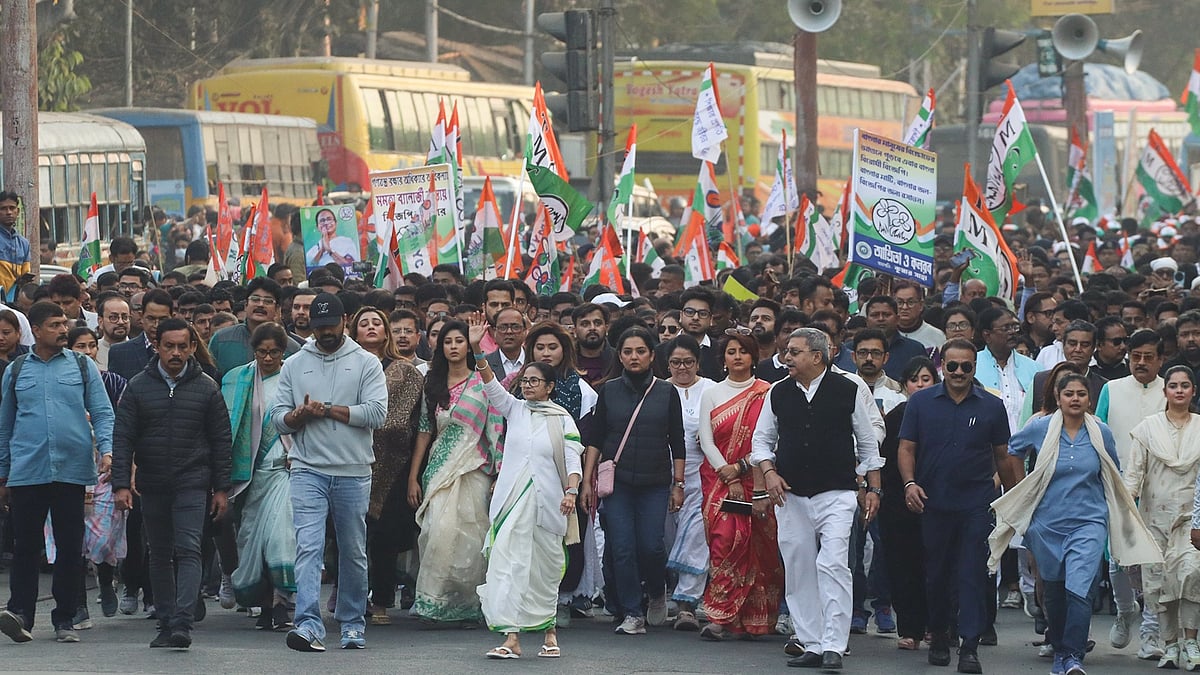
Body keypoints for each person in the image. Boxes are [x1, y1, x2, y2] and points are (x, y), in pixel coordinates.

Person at [994, 373, 1159, 675]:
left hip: (1089, 521)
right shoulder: (1041, 427)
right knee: (1055, 590)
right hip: (1046, 522)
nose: (1074, 399)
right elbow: (1012, 450)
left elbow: (1111, 471)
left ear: (1088, 399)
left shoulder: (1101, 432)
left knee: (1080, 589)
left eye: (1081, 394)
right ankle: (1059, 648)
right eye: (1068, 393)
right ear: (1058, 398)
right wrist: (1021, 487)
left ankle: (1073, 655)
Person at [752, 327, 882, 670]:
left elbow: (868, 444)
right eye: (786, 352)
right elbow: (761, 442)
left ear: (817, 356)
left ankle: (834, 646)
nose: (787, 358)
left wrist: (873, 488)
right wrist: (769, 473)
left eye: (794, 352)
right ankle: (811, 642)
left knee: (834, 563)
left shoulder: (849, 389)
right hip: (791, 494)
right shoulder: (777, 392)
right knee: (798, 566)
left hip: (837, 492)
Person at [269, 293, 387, 652]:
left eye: (331, 326)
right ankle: (307, 624)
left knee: (352, 550)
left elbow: (377, 413)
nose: (324, 334)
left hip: (353, 470)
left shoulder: (366, 362)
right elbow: (279, 418)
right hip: (307, 468)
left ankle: (352, 623)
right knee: (308, 547)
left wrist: (330, 410)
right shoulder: (294, 364)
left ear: (345, 320)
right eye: (319, 328)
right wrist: (300, 415)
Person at [111, 318, 233, 650]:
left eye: (183, 346)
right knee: (159, 552)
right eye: (169, 346)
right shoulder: (138, 386)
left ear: (193, 347)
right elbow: (122, 438)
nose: (176, 353)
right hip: (151, 483)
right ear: (158, 347)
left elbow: (222, 441)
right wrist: (121, 483)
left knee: (189, 549)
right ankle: (165, 620)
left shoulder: (207, 387)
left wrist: (222, 488)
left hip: (193, 482)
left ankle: (182, 622)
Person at [0, 302, 114, 645]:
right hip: (27, 471)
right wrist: (3, 474)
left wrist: (107, 451)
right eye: (54, 325)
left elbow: (103, 411)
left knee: (69, 545)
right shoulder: (17, 370)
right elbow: (4, 426)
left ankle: (66, 617)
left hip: (72, 470)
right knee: (25, 546)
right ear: (34, 330)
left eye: (64, 324)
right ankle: (19, 614)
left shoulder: (82, 366)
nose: (63, 330)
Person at [898, 338, 1010, 674]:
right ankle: (940, 635)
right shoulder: (921, 403)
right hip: (933, 501)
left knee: (973, 574)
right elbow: (906, 448)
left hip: (976, 502)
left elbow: (1003, 455)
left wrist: (1014, 499)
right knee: (937, 574)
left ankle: (970, 646)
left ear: (975, 367)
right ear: (941, 366)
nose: (959, 372)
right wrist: (909, 483)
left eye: (966, 366)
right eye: (952, 366)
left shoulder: (992, 406)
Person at [474, 341, 583, 659]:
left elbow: (573, 457)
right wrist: (478, 352)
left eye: (535, 381)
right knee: (509, 565)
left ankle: (549, 632)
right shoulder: (514, 409)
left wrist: (571, 491)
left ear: (550, 386)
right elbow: (491, 385)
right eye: (525, 380)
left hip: (549, 506)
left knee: (544, 569)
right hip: (511, 504)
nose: (528, 385)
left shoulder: (561, 418)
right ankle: (511, 639)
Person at [580, 326, 685, 635]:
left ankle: (656, 592)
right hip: (618, 483)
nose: (634, 356)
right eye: (627, 351)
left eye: (641, 351)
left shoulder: (667, 392)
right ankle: (631, 611)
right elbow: (596, 440)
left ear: (652, 355)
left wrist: (678, 485)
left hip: (655, 482)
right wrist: (587, 482)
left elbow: (677, 441)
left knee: (651, 545)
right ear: (620, 356)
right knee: (622, 546)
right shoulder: (609, 390)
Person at [407, 319, 503, 625]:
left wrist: (500, 472)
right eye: (447, 341)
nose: (452, 346)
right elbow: (425, 430)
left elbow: (495, 429)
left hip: (474, 467)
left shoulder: (482, 384)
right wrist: (413, 476)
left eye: (459, 341)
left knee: (471, 538)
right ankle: (434, 601)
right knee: (437, 532)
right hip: (439, 468)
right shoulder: (432, 384)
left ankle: (469, 604)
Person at [696, 331, 783, 639]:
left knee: (760, 548)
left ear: (752, 357)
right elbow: (705, 439)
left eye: (742, 352)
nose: (737, 357)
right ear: (723, 359)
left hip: (758, 477)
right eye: (731, 351)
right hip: (719, 479)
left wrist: (742, 468)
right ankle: (720, 616)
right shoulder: (711, 392)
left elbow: (770, 438)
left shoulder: (767, 392)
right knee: (724, 543)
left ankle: (755, 619)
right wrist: (726, 472)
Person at [348, 307, 423, 626]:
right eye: (363, 322)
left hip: (393, 462)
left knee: (383, 536)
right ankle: (348, 596)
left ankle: (380, 600)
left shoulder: (405, 371)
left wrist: (362, 421)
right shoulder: (343, 367)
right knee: (347, 533)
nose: (371, 327)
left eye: (377, 322)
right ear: (353, 331)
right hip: (347, 455)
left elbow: (400, 421)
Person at [1096, 329, 1169, 658]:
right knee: (1117, 563)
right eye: (1135, 356)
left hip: (1162, 491)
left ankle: (1151, 631)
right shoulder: (1111, 389)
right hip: (1118, 486)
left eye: (1148, 357)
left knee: (1154, 564)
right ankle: (1126, 610)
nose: (1141, 362)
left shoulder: (1170, 390)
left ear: (1161, 360)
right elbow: (1096, 435)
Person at [221, 323, 297, 631]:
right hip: (249, 474)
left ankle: (283, 603)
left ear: (283, 352)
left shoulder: (293, 378)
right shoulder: (237, 379)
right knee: (252, 539)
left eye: (274, 352)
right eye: (262, 352)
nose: (268, 358)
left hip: (284, 468)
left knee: (281, 537)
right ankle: (264, 605)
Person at [523, 321, 599, 623]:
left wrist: (580, 482)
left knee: (568, 538)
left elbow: (589, 439)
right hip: (527, 476)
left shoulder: (581, 389)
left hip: (568, 476)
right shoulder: (520, 388)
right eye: (539, 347)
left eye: (552, 347)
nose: (545, 352)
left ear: (564, 350)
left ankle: (562, 599)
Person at [1125, 366, 1200, 670]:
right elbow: (1134, 475)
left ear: (1193, 390)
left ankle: (1192, 641)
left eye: (1185, 385)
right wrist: (1124, 515)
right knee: (1159, 582)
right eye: (1173, 386)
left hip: (1191, 519)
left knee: (1192, 575)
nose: (1179, 390)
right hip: (1153, 516)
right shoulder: (1147, 428)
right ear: (1165, 391)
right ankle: (1169, 645)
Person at [59, 327, 128, 624]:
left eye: (91, 346)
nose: (87, 352)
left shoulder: (111, 383)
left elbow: (121, 424)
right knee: (73, 540)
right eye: (79, 346)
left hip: (103, 468)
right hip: (67, 468)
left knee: (100, 540)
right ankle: (79, 605)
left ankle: (105, 577)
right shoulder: (60, 382)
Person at [878, 357, 939, 651]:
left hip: (938, 500)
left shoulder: (943, 414)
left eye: (926, 379)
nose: (920, 385)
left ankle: (935, 625)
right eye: (914, 380)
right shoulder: (894, 417)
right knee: (903, 565)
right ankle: (910, 629)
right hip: (899, 501)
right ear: (904, 385)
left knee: (936, 565)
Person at [662, 334, 715, 631]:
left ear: (698, 362)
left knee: (696, 536)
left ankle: (687, 604)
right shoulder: (658, 389)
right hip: (660, 473)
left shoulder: (712, 390)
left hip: (702, 474)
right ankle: (665, 593)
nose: (682, 368)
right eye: (676, 362)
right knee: (668, 537)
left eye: (688, 362)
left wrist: (710, 436)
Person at [209, 278, 301, 378]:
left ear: (277, 309)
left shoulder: (292, 348)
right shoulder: (221, 339)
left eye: (268, 301)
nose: (260, 305)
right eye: (255, 299)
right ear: (245, 305)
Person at [0, 191, 31, 290]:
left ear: (17, 212)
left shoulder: (24, 243)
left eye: (12, 208)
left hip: (16, 301)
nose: (8, 212)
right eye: (3, 209)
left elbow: (26, 275)